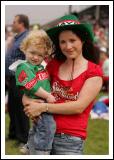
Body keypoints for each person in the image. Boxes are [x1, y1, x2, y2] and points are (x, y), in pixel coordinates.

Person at [23, 14, 103, 155]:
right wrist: (28, 103)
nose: (68, 46)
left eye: (72, 40)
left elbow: (78, 107)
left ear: (82, 40)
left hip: (69, 140)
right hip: (41, 132)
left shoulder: (94, 72)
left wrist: (43, 107)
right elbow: (31, 89)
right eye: (63, 42)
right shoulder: (52, 65)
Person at [9, 30, 56, 155]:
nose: (35, 57)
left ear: (44, 55)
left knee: (37, 128)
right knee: (48, 127)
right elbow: (32, 85)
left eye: (40, 55)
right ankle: (42, 151)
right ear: (25, 49)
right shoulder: (23, 67)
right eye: (32, 53)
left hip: (40, 101)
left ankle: (29, 146)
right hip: (40, 100)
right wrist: (48, 95)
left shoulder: (40, 66)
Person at [5, 14, 30, 145]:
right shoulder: (17, 38)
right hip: (12, 77)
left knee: (21, 108)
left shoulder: (27, 38)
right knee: (12, 107)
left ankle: (24, 138)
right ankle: (13, 133)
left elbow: (29, 59)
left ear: (21, 24)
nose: (13, 24)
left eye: (15, 22)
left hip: (21, 77)